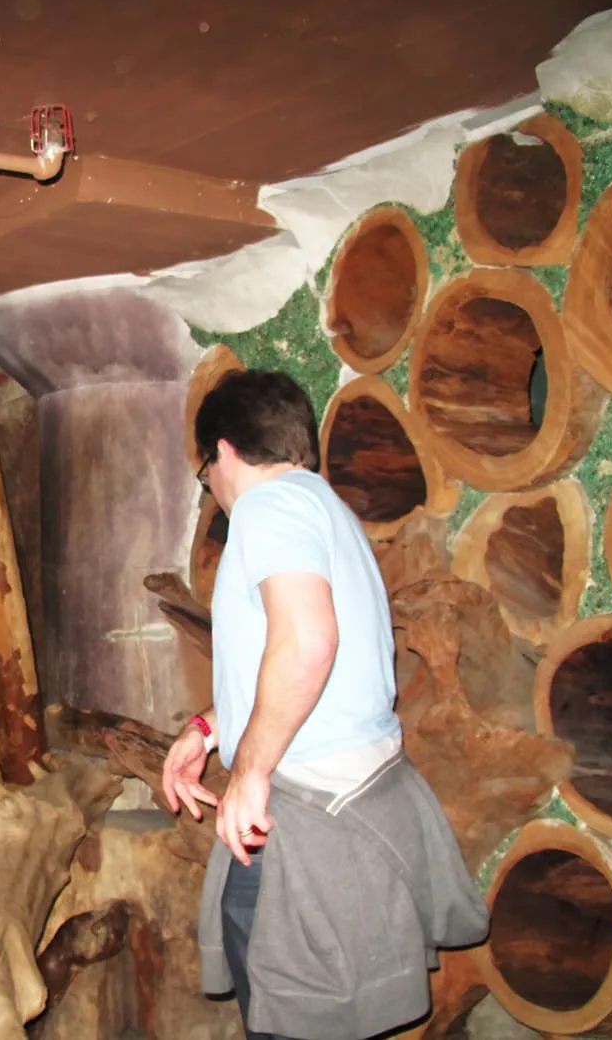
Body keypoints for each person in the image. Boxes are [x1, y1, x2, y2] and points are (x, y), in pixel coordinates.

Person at [160, 369, 488, 1040]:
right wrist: (208, 729)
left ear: (222, 452)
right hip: (355, 799)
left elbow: (309, 644)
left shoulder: (267, 508)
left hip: (313, 817)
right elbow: (305, 661)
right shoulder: (324, 510)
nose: (213, 493)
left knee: (286, 1016)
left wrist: (249, 773)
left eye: (205, 476)